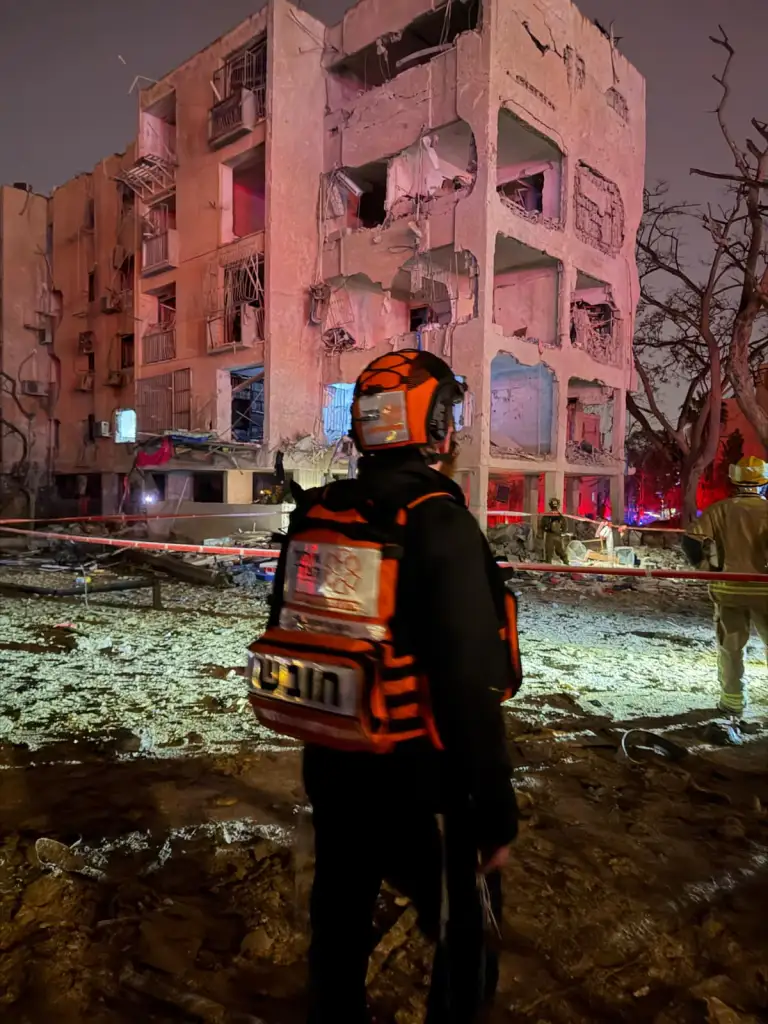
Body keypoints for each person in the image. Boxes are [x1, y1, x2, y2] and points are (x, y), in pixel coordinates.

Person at [247, 349, 522, 1023]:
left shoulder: (320, 512)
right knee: (465, 922)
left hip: (333, 756)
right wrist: (494, 810)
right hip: (422, 771)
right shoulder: (437, 518)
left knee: (339, 905)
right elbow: (469, 680)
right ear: (436, 429)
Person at [683, 456, 768, 716]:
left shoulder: (719, 510)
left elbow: (691, 543)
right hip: (766, 590)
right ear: (764, 483)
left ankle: (732, 702)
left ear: (734, 480)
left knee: (731, 648)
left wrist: (707, 570)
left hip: (729, 590)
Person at [541, 497, 569, 564]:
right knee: (559, 550)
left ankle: (549, 567)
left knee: (549, 551)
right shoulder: (560, 516)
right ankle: (567, 563)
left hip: (550, 535)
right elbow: (564, 527)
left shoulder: (547, 516)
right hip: (557, 535)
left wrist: (544, 531)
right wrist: (562, 531)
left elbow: (542, 525)